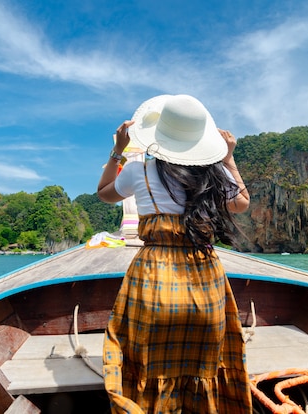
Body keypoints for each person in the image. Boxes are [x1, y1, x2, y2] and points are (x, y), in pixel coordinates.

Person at [97, 94, 252, 414]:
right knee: (204, 367)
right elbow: (242, 203)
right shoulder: (215, 173)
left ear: (160, 134)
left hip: (154, 278)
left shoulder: (137, 168)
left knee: (147, 364)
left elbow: (104, 195)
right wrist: (228, 159)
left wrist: (117, 152)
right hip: (205, 281)